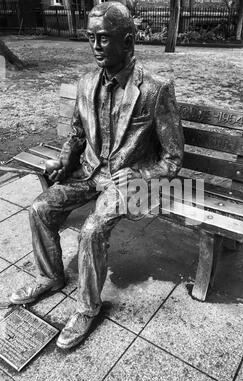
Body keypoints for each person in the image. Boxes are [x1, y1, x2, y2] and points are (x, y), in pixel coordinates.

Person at [10, 2, 184, 350]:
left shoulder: (155, 90)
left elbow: (173, 158)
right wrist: (63, 161)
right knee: (40, 208)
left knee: (92, 229)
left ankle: (88, 308)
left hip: (126, 181)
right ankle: (50, 276)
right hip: (89, 171)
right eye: (91, 38)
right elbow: (76, 135)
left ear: (128, 41)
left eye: (103, 38)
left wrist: (139, 173)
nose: (95, 47)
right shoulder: (87, 81)